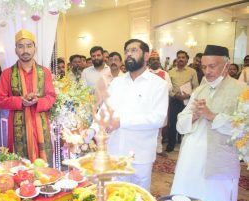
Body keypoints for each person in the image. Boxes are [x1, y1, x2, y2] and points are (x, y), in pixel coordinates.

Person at [171, 45, 247, 201]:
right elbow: (180, 122)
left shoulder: (242, 90)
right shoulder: (200, 90)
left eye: (212, 66)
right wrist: (194, 116)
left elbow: (243, 126)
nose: (207, 71)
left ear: (226, 65)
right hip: (190, 159)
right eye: (204, 67)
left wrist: (212, 116)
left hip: (219, 160)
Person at [84, 39, 168, 190]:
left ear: (146, 56)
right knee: (114, 196)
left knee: (138, 199)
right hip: (115, 151)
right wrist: (91, 130)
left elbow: (158, 119)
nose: (129, 54)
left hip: (140, 155)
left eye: (134, 50)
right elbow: (104, 110)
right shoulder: (117, 83)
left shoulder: (158, 84)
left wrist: (121, 122)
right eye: (126, 51)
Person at [0, 29, 56, 165]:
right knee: (20, 165)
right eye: (21, 46)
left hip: (39, 122)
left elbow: (51, 97)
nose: (25, 50)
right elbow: (0, 100)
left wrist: (38, 101)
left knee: (43, 163)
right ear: (16, 50)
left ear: (35, 48)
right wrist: (20, 101)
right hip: (17, 125)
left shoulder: (44, 72)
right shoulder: (7, 74)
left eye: (29, 46)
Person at [166, 50, 199, 152]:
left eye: (183, 57)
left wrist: (188, 95)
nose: (181, 59)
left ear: (187, 59)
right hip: (175, 100)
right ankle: (171, 144)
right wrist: (174, 95)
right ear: (176, 59)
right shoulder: (170, 72)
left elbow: (196, 87)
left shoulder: (192, 72)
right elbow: (168, 88)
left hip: (187, 101)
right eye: (179, 57)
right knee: (173, 122)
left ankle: (186, 145)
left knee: (187, 121)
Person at [148, 50, 172, 157]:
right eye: (152, 59)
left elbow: (170, 87)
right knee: (148, 128)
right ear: (149, 61)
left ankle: (159, 149)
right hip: (147, 105)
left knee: (159, 128)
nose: (155, 61)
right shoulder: (145, 73)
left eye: (157, 59)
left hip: (160, 105)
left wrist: (157, 90)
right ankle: (148, 149)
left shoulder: (164, 73)